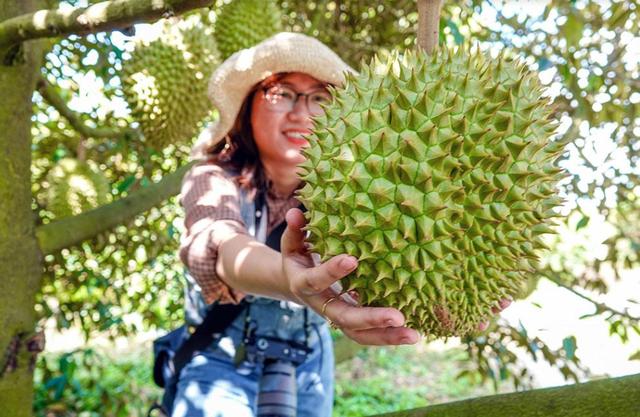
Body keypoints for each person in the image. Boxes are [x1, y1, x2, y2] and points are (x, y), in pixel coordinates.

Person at [173, 32, 420, 417]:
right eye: (282, 93)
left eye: (320, 97)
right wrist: (291, 280)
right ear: (247, 107)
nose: (301, 112)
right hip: (220, 355)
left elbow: (393, 259)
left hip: (309, 365)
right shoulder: (212, 178)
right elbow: (218, 244)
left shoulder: (364, 188)